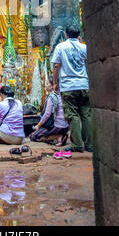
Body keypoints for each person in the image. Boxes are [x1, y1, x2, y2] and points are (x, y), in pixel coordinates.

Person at [51, 24, 92, 153]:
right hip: (84, 85)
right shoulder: (84, 47)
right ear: (78, 35)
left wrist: (55, 82)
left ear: (66, 35)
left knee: (72, 115)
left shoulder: (61, 47)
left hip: (68, 86)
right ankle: (90, 145)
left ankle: (77, 145)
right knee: (86, 115)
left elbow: (56, 65)